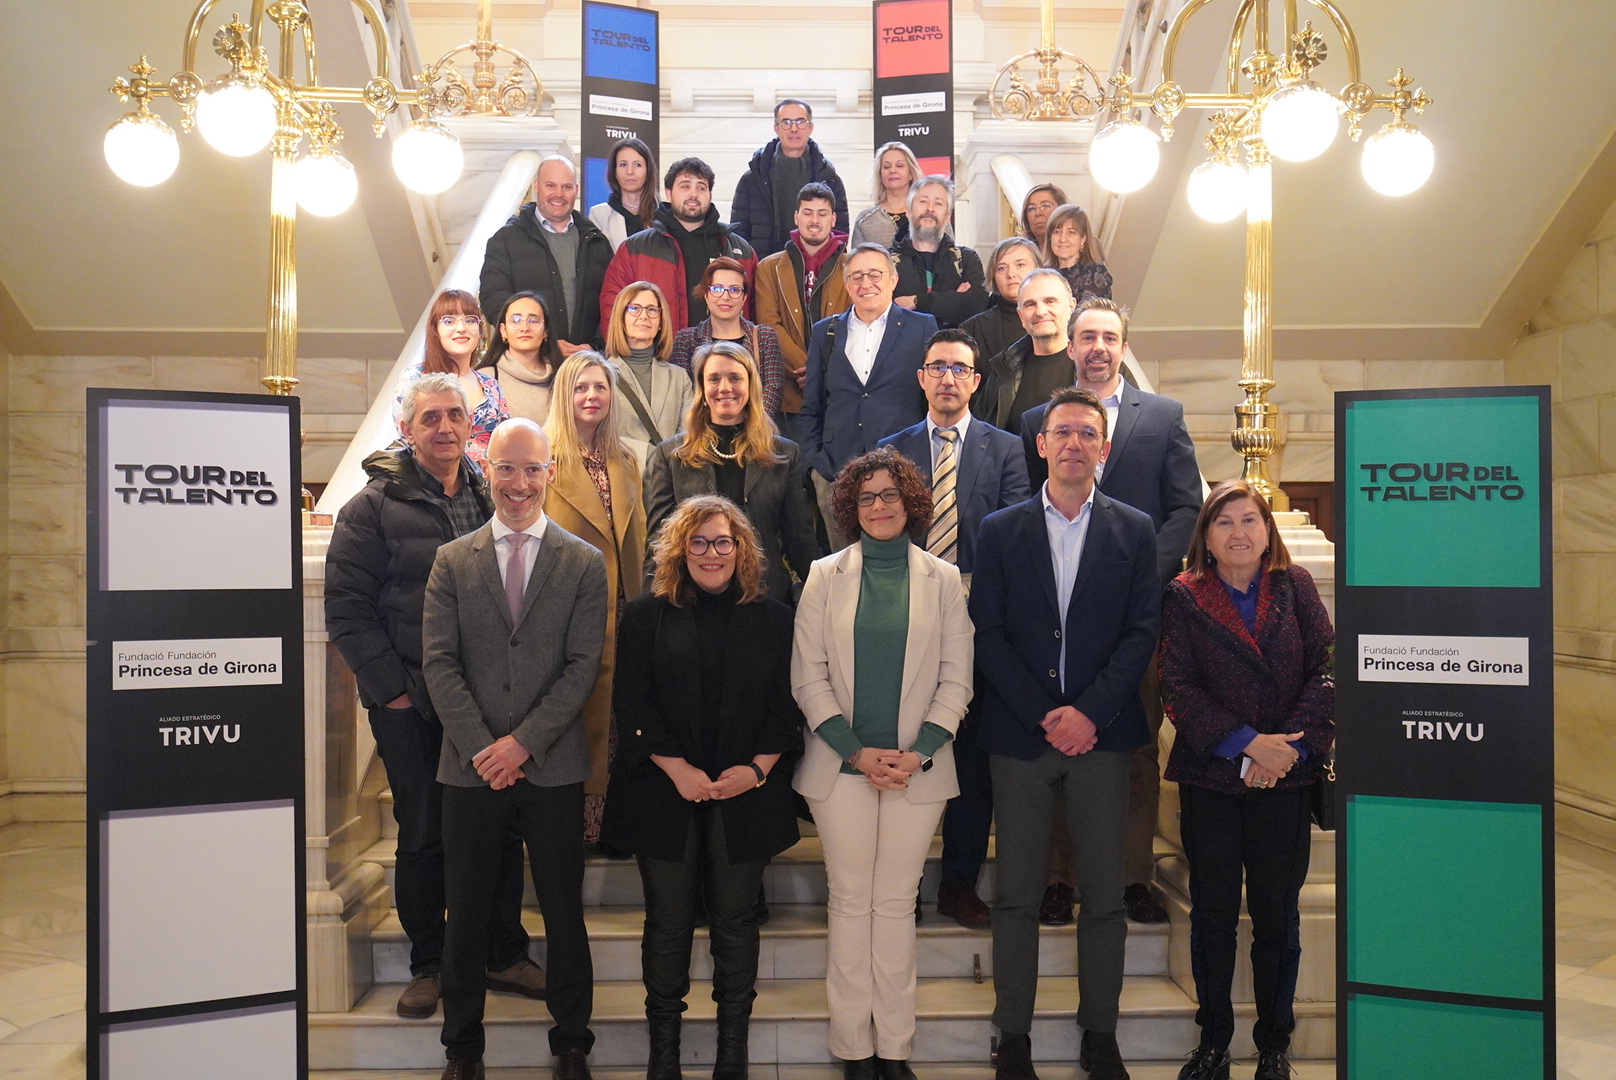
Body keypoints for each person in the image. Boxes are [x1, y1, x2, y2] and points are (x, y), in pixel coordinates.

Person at [326, 375, 546, 1023]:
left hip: (485, 701)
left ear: (469, 424)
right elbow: (347, 610)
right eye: (430, 418)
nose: (444, 427)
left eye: (454, 415)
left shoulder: (488, 493)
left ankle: (503, 952)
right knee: (423, 831)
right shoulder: (370, 508)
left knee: (499, 828)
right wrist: (392, 694)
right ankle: (429, 964)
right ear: (407, 429)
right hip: (412, 703)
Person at [971, 387, 1161, 1080]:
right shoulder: (1000, 530)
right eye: (1063, 432)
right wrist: (1042, 712)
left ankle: (1100, 1034)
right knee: (1017, 895)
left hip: (1102, 739)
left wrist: (1089, 713)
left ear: (1102, 448)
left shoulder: (1135, 529)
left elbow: (1142, 631)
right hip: (1021, 739)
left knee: (1104, 898)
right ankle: (1014, 1034)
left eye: (1087, 433)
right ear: (1042, 444)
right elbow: (987, 633)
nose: (1074, 443)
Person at [422, 417, 608, 1080]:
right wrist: (485, 749)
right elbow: (439, 664)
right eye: (506, 468)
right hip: (470, 769)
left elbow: (582, 666)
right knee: (467, 914)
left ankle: (572, 1043)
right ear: (487, 470)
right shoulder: (451, 561)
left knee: (563, 913)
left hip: (552, 767)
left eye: (532, 469)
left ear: (549, 472)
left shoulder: (584, 563)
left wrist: (522, 745)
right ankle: (463, 1051)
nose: (519, 483)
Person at [603, 494, 804, 1080]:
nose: (710, 553)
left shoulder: (774, 618)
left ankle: (731, 1054)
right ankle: (663, 1055)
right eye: (698, 541)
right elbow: (631, 703)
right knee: (667, 922)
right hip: (662, 788)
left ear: (740, 549)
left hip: (747, 791)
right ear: (679, 549)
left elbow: (786, 706)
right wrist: (678, 770)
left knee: (736, 922)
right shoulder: (645, 616)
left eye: (722, 542)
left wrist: (757, 771)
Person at [1020, 298, 1202, 929]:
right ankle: (1058, 877)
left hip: (1139, 614)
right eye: (1087, 337)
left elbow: (1186, 507)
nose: (1098, 347)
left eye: (1110, 337)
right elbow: (1027, 508)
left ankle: (1130, 877)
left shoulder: (1163, 416)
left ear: (1124, 346)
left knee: (1135, 746)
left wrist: (1140, 573)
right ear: (1070, 346)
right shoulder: (1038, 420)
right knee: (1058, 741)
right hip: (1057, 611)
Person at [792, 446, 973, 1080]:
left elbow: (957, 679)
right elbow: (807, 675)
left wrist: (918, 753)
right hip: (840, 768)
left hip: (915, 771)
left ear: (910, 502)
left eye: (889, 495)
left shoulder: (943, 580)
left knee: (895, 904)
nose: (878, 506)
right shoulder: (824, 575)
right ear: (850, 507)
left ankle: (894, 1048)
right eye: (866, 497)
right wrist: (855, 750)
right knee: (850, 902)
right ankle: (852, 1048)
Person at [1160, 481, 1333, 1080]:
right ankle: (1213, 1044)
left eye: (1249, 520)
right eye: (1225, 522)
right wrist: (1247, 743)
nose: (1239, 532)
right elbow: (1177, 687)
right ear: (1206, 536)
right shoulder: (1184, 595)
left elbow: (1328, 669)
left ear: (1268, 530)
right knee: (1212, 917)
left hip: (1285, 779)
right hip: (1212, 778)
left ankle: (1273, 1046)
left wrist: (1285, 750)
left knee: (1276, 918)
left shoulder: (1297, 586)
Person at [877, 329, 1029, 929]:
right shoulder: (892, 450)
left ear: (975, 381)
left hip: (980, 618)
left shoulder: (1007, 449)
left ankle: (958, 883)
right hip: (906, 617)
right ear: (921, 378)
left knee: (969, 756)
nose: (948, 378)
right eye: (937, 367)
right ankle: (904, 884)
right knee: (906, 741)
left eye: (960, 369)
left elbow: (1014, 536)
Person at [543, 352, 649, 846]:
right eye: (581, 387)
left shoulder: (626, 459)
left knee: (619, 721)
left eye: (600, 387)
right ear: (565, 396)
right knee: (580, 720)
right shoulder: (544, 459)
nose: (591, 396)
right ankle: (577, 831)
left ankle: (615, 825)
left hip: (625, 609)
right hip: (568, 613)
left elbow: (639, 536)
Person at [644, 340, 820, 603]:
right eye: (714, 379)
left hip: (765, 599)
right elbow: (658, 543)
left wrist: (823, 596)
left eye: (735, 378)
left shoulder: (784, 454)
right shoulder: (670, 456)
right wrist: (650, 610)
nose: (724, 388)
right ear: (702, 389)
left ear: (751, 386)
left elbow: (799, 540)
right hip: (693, 600)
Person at [799, 243, 935, 550]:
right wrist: (815, 464)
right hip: (835, 472)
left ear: (893, 280)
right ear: (847, 285)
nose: (866, 283)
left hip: (904, 472)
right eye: (857, 276)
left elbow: (931, 399)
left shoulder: (922, 327)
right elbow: (812, 406)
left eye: (875, 274)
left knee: (904, 564)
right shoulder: (824, 332)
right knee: (844, 567)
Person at [600, 157, 758, 332]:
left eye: (701, 187)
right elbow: (612, 308)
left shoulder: (740, 251)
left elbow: (755, 312)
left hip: (724, 349)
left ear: (710, 196)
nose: (693, 194)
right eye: (685, 186)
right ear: (669, 194)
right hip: (658, 349)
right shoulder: (634, 249)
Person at [480, 155, 612, 354]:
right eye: (550, 185)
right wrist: (543, 340)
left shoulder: (596, 242)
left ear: (576, 190)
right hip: (528, 360)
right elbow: (493, 299)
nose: (559, 194)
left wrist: (595, 345)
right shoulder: (505, 240)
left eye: (566, 187)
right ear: (536, 186)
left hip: (584, 361)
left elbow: (612, 301)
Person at [753, 182, 852, 444]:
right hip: (788, 397)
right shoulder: (768, 268)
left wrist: (823, 372)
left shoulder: (852, 268)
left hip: (838, 394)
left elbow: (855, 324)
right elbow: (768, 325)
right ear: (796, 217)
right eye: (808, 212)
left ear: (833, 219)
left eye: (822, 213)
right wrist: (810, 371)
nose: (814, 220)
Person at [394, 289, 509, 467]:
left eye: (470, 320)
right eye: (449, 321)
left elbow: (506, 443)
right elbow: (408, 439)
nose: (461, 328)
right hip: (431, 478)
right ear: (435, 330)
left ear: (479, 330)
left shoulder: (491, 386)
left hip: (487, 481)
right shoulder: (414, 378)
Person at [729, 98, 851, 259]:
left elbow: (840, 232)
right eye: (786, 122)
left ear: (810, 128)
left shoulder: (829, 178)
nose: (794, 129)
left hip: (816, 267)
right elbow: (738, 234)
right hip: (763, 266)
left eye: (801, 122)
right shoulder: (752, 179)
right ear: (776, 128)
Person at [668, 257, 786, 417]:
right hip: (702, 428)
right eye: (717, 289)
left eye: (734, 290)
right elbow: (686, 395)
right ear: (706, 295)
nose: (725, 297)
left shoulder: (764, 337)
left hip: (756, 428)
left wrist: (749, 426)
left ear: (744, 297)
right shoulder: (686, 340)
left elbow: (773, 388)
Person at [975, 269, 1079, 435]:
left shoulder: (1092, 365)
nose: (1040, 312)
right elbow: (982, 434)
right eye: (1030, 304)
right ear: (1021, 315)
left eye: (1050, 301)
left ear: (1071, 307)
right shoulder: (1004, 369)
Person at [601, 281, 692, 458]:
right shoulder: (601, 376)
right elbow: (599, 436)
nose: (644, 316)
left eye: (652, 310)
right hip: (622, 470)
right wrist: (649, 456)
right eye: (634, 308)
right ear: (621, 317)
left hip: (670, 471)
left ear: (661, 321)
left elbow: (690, 433)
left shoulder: (679, 377)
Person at [891, 175, 989, 330]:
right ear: (908, 211)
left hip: (955, 343)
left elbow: (977, 305)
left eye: (938, 203)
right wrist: (954, 299)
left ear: (947, 216)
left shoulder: (966, 259)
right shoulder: (887, 262)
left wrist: (917, 302)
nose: (930, 209)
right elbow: (888, 311)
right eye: (923, 201)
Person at [481, 291, 563, 426]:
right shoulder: (485, 379)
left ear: (546, 331)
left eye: (533, 321)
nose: (525, 328)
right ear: (503, 330)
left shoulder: (563, 376)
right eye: (515, 320)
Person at [960, 237, 1041, 369]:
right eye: (1002, 268)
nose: (1010, 274)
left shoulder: (1060, 319)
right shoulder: (972, 329)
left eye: (1020, 265)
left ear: (1038, 268)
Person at [849, 141, 924, 250]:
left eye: (899, 165)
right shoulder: (865, 220)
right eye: (886, 167)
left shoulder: (928, 214)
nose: (893, 170)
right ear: (880, 175)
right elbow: (857, 259)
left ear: (911, 173)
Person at [588, 137, 658, 252]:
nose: (630, 171)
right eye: (623, 165)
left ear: (647, 171)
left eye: (637, 165)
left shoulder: (662, 216)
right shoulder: (599, 215)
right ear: (614, 171)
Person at [1041, 203, 1113, 306]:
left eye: (1071, 232)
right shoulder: (1042, 274)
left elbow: (1091, 314)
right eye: (1057, 232)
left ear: (1083, 239)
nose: (1062, 239)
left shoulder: (1093, 273)